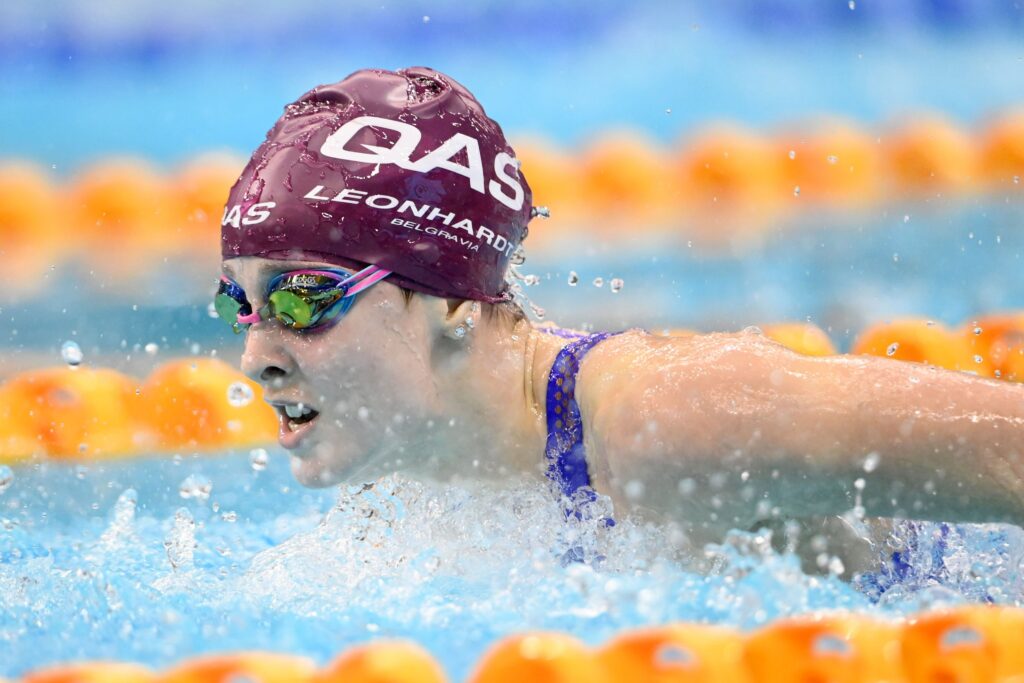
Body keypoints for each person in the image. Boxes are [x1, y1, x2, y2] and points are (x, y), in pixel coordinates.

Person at [217, 66, 1024, 575]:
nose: (256, 356)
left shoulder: (668, 419)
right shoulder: (403, 496)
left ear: (454, 302)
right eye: (242, 303)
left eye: (303, 298)